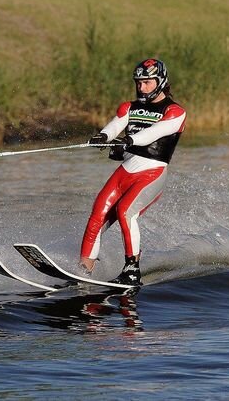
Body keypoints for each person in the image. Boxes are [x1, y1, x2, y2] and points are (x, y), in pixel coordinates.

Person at [79, 58, 186, 286]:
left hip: (151, 173)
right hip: (125, 172)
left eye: (147, 82)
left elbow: (153, 133)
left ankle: (132, 270)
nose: (141, 87)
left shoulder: (175, 112)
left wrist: (128, 141)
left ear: (160, 81)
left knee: (126, 211)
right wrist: (104, 137)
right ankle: (83, 271)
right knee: (98, 212)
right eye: (138, 82)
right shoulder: (130, 107)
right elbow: (116, 124)